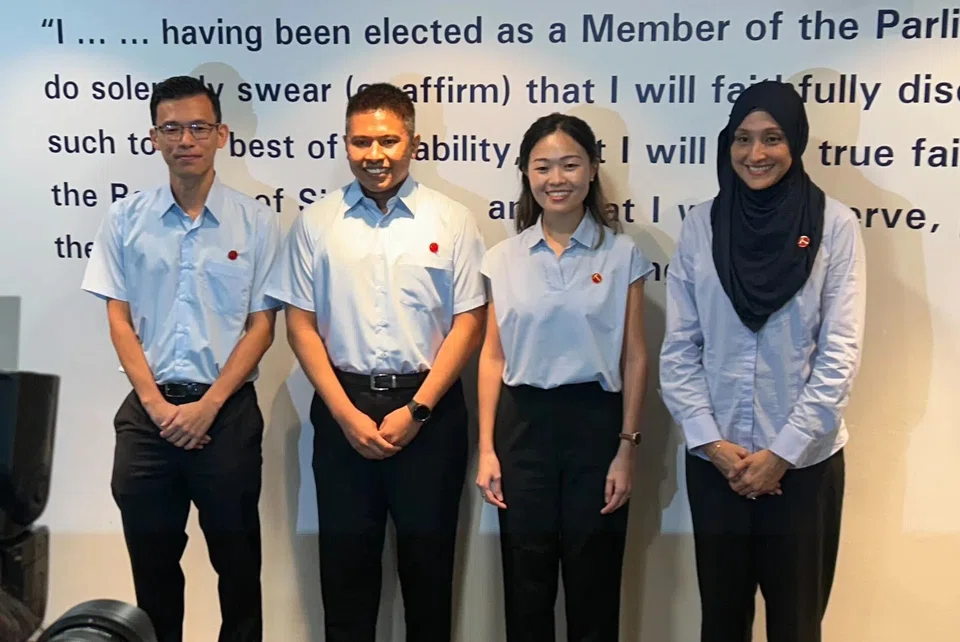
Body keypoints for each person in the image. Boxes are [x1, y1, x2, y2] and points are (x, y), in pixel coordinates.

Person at [266, 82, 487, 642]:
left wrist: (417, 409)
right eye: (362, 142)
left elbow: (469, 321)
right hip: (344, 410)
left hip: (430, 413)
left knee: (429, 578)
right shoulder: (316, 223)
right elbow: (300, 324)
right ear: (345, 144)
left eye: (388, 140)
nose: (375, 155)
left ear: (412, 141)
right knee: (345, 582)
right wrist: (343, 414)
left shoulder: (453, 221)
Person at [660, 80, 866, 642]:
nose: (756, 154)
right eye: (743, 139)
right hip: (716, 463)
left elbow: (839, 355)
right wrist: (714, 446)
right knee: (721, 623)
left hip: (803, 470)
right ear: (726, 145)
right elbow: (680, 350)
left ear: (795, 141)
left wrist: (781, 454)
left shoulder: (836, 226)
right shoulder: (702, 225)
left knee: (796, 626)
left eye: (772, 138)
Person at [80, 76, 281, 642]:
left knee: (239, 568)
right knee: (153, 571)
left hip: (227, 414)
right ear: (153, 137)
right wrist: (157, 405)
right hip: (149, 418)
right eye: (172, 128)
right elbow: (118, 318)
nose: (185, 139)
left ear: (221, 135)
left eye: (197, 127)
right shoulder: (125, 219)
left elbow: (262, 326)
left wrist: (208, 406)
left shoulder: (256, 220)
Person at [475, 112, 652, 641]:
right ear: (527, 175)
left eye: (570, 164)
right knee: (525, 583)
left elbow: (636, 356)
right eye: (543, 166)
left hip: (596, 428)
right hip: (522, 426)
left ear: (593, 170)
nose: (558, 178)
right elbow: (492, 357)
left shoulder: (623, 255)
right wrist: (486, 448)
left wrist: (627, 446)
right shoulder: (503, 258)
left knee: (594, 581)